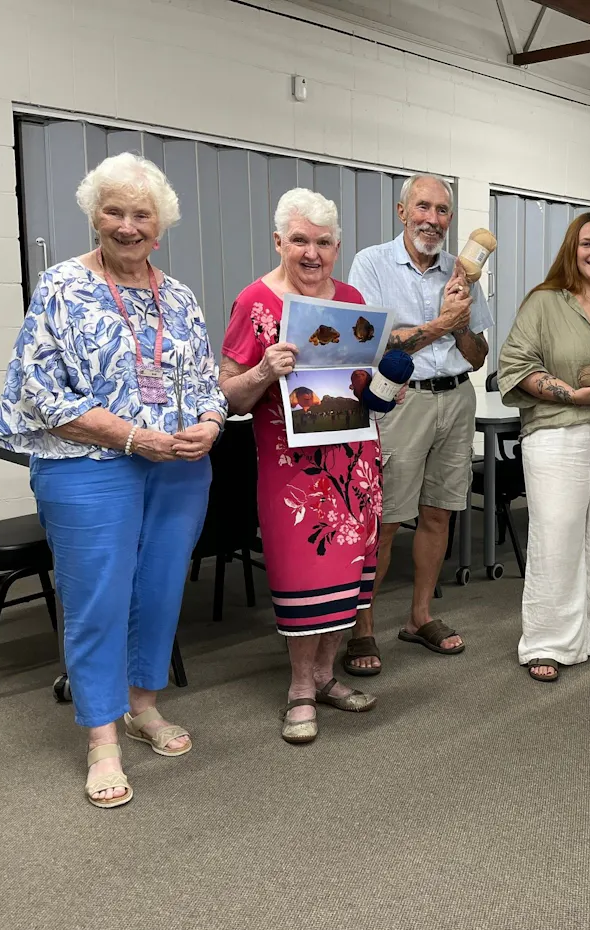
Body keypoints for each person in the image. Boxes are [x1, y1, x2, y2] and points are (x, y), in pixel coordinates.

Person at [0, 152, 226, 807]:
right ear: (94, 215)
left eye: (141, 213)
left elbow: (207, 381)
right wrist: (131, 435)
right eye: (114, 211)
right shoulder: (63, 286)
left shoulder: (178, 295)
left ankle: (143, 705)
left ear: (162, 224)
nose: (127, 225)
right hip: (88, 468)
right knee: (97, 598)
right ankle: (102, 738)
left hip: (179, 468)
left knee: (157, 592)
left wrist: (210, 424)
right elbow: (39, 391)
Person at [220, 189, 391, 744]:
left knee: (349, 576)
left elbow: (361, 379)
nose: (311, 253)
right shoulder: (254, 301)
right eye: (299, 240)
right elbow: (228, 396)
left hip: (355, 461)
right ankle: (298, 688)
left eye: (322, 242)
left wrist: (386, 390)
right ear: (279, 242)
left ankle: (325, 675)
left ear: (337, 248)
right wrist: (264, 371)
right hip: (293, 471)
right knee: (303, 575)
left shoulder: (350, 298)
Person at [345, 173, 492, 673]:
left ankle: (420, 616)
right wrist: (438, 326)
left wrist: (464, 321)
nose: (433, 219)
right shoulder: (372, 263)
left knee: (438, 514)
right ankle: (362, 630)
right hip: (400, 401)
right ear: (402, 211)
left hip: (455, 398)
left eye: (443, 211)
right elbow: (370, 344)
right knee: (385, 522)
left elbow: (475, 357)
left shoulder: (462, 272)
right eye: (423, 208)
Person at [496, 212, 590, 682]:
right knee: (557, 533)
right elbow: (515, 364)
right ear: (572, 248)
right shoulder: (544, 303)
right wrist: (568, 391)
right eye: (586, 243)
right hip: (557, 431)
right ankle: (547, 640)